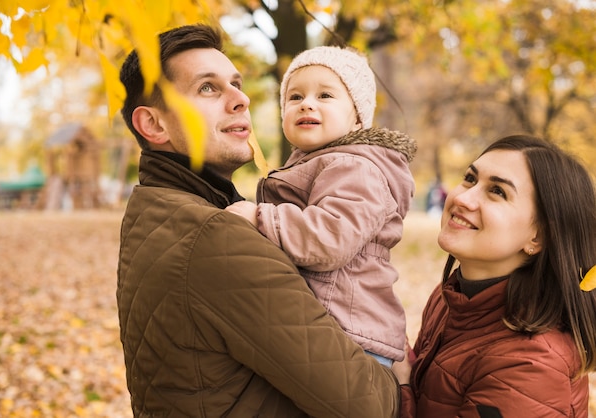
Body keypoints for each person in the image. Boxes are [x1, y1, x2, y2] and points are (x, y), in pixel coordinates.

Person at [115, 24, 401, 418]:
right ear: (153, 125)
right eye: (208, 88)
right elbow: (369, 405)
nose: (241, 99)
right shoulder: (216, 236)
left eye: (237, 83)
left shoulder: (156, 209)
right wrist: (401, 376)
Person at [226, 45, 417, 367]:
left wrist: (260, 217)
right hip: (327, 326)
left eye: (325, 96)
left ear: (357, 118)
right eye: (295, 97)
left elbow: (330, 238)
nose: (307, 104)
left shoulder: (356, 167)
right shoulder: (318, 163)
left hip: (349, 333)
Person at [394, 134, 596, 417]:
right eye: (469, 178)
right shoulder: (452, 297)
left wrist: (400, 383)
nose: (463, 198)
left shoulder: (531, 366)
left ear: (538, 236)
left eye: (498, 192)